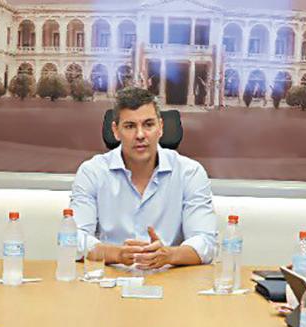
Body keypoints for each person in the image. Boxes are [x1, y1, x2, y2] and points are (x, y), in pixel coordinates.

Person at [69, 87, 217, 269]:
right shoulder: (92, 172)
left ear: (160, 127)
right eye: (130, 126)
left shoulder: (189, 173)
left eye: (148, 124)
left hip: (169, 278)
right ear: (115, 131)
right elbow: (73, 239)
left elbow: (206, 242)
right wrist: (117, 254)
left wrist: (168, 255)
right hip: (110, 277)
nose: (140, 135)